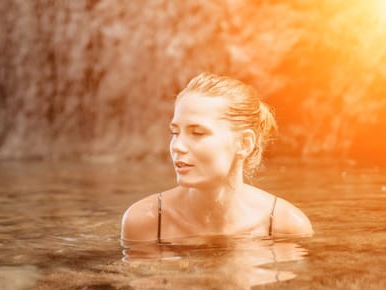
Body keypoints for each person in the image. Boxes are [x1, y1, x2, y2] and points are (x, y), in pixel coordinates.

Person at [121, 73, 313, 243]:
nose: (177, 146)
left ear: (245, 143)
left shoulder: (285, 227)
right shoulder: (147, 223)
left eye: (197, 133)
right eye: (175, 132)